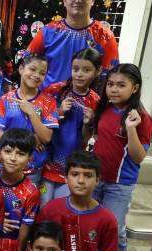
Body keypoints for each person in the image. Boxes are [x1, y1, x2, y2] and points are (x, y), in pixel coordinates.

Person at [87, 63, 152, 251]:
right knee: (93, 232)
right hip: (96, 181)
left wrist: (131, 129)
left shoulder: (141, 118)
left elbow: (138, 157)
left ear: (135, 87)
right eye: (111, 84)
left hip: (119, 185)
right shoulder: (105, 108)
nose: (113, 90)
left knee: (116, 237)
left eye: (121, 85)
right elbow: (95, 139)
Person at [41, 48, 102, 206]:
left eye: (86, 70)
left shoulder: (95, 101)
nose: (79, 74)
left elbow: (86, 138)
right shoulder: (55, 91)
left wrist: (88, 124)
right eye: (75, 69)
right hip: (46, 161)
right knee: (43, 205)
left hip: (71, 167)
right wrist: (59, 112)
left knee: (62, 206)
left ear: (97, 71)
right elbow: (39, 121)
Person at [36, 151, 118, 251]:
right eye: (75, 174)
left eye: (88, 175)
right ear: (65, 178)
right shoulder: (50, 210)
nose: (80, 181)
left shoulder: (107, 220)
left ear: (97, 180)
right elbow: (35, 247)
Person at [0, 54, 59, 185]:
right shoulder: (6, 99)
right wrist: (31, 140)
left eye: (42, 73)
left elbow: (46, 138)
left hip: (31, 168)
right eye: (32, 69)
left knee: (26, 204)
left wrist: (32, 113)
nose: (36, 75)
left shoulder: (49, 102)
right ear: (22, 69)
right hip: (3, 165)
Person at [25, 0, 118, 88]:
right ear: (64, 1)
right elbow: (27, 65)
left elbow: (111, 77)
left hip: (85, 102)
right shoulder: (48, 31)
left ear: (93, 1)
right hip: (45, 100)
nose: (78, 1)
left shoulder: (105, 36)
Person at [0, 128, 40, 245]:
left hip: (9, 248)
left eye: (20, 154)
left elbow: (24, 232)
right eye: (7, 151)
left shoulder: (31, 192)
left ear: (30, 158)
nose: (13, 158)